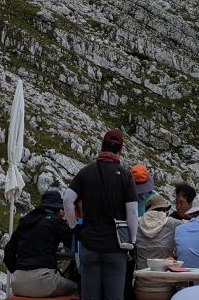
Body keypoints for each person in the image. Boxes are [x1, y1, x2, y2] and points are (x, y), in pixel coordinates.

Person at [63, 128, 138, 300]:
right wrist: (131, 242)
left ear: (101, 147)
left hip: (90, 245)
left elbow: (67, 200)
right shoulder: (126, 176)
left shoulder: (86, 172)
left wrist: (74, 227)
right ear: (121, 150)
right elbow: (132, 212)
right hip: (116, 247)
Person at [4, 188, 76, 297]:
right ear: (58, 208)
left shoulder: (25, 221)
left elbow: (8, 253)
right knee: (78, 288)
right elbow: (72, 243)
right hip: (44, 282)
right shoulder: (55, 221)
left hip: (17, 282)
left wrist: (19, 271)